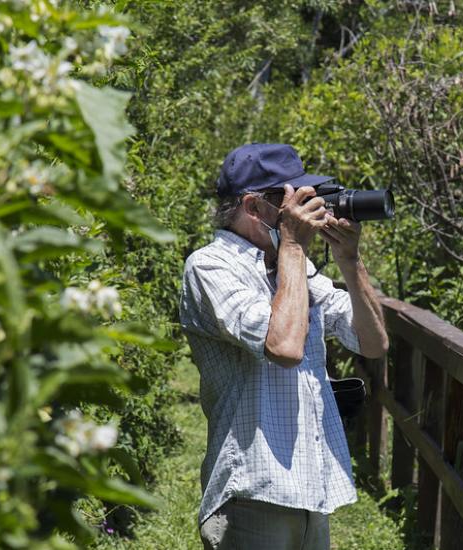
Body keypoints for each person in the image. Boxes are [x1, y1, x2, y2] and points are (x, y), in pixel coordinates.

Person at [179, 143, 389, 550]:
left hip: (311, 487)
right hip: (254, 491)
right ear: (254, 206)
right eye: (291, 198)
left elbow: (373, 342)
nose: (306, 207)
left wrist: (350, 259)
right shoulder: (209, 266)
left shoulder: (294, 266)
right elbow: (285, 347)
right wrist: (293, 246)